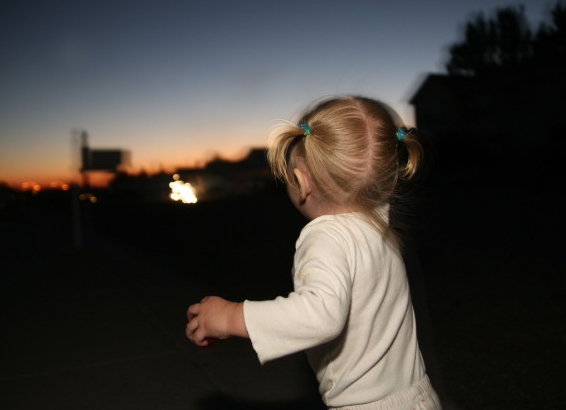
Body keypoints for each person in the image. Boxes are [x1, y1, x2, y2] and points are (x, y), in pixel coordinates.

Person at [185, 95, 441, 410]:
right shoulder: (380, 226)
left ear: (300, 182)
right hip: (418, 395)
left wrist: (230, 316)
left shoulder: (326, 237)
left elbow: (321, 315)